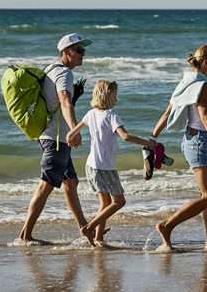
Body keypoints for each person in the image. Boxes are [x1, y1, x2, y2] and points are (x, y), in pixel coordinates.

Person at [149, 45, 207, 250]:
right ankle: (167, 226)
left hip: (197, 141)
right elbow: (205, 118)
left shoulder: (185, 83)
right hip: (200, 142)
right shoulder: (202, 85)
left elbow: (167, 113)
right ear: (205, 63)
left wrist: (152, 137)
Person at [17, 33, 91, 243]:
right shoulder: (64, 74)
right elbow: (65, 102)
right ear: (65, 51)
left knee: (71, 182)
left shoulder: (50, 70)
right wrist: (74, 130)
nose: (82, 54)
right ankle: (25, 236)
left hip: (50, 136)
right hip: (57, 138)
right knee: (45, 186)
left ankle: (84, 229)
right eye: (78, 50)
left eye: (83, 50)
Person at [66, 80, 156, 247]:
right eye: (115, 96)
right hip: (105, 168)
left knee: (105, 203)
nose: (116, 100)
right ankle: (89, 228)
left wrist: (72, 141)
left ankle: (99, 239)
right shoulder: (111, 116)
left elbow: (70, 134)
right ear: (107, 96)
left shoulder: (90, 114)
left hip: (92, 166)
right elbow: (126, 137)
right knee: (119, 202)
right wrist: (149, 144)